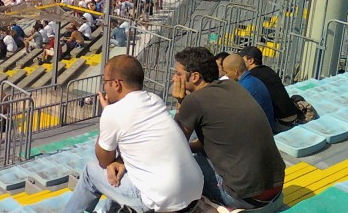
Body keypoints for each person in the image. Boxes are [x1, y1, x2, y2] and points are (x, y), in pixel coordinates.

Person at [64, 55, 203, 213]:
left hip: (161, 200)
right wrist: (120, 160)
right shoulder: (155, 100)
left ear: (116, 84)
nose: (104, 88)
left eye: (105, 82)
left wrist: (106, 114)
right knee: (120, 172)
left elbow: (103, 161)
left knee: (90, 172)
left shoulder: (113, 113)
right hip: (193, 192)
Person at [172, 47, 285, 212]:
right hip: (275, 189)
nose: (173, 78)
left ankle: (218, 205)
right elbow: (216, 139)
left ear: (195, 76)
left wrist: (180, 101)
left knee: (182, 167)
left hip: (244, 198)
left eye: (178, 73)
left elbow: (174, 147)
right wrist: (192, 147)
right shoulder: (233, 86)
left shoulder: (193, 101)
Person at [239, 45, 299, 130]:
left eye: (242, 60)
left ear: (251, 61)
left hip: (280, 121)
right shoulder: (268, 70)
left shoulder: (252, 77)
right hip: (293, 115)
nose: (239, 62)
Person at [222, 53, 275, 127]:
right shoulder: (253, 80)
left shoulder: (243, 87)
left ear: (235, 71)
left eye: (226, 72)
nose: (226, 75)